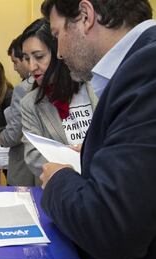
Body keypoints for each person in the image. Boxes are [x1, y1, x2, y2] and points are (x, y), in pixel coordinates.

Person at [40, 0, 156, 259]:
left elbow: (111, 228)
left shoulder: (147, 68)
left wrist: (58, 179)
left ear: (85, 16)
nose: (58, 53)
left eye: (57, 35)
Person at [19, 18, 98, 177]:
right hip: (63, 188)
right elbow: (34, 157)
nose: (31, 67)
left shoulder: (96, 87)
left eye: (39, 56)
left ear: (59, 52)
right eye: (27, 58)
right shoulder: (30, 104)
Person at [0, 36, 35, 186]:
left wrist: (0, 138)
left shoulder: (22, 89)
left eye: (15, 62)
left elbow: (14, 134)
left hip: (24, 167)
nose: (14, 68)